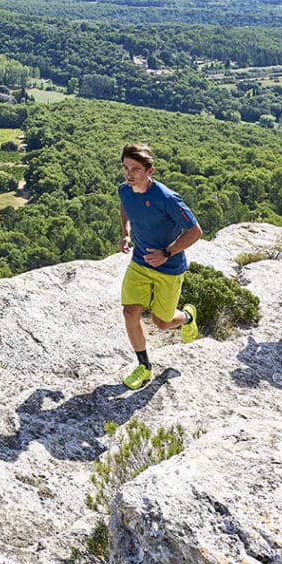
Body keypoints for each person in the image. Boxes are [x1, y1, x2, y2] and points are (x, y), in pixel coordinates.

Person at [117, 143, 200, 388]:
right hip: (140, 263)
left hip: (168, 269)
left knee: (161, 322)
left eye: (135, 169)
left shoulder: (167, 198)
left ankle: (186, 317)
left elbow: (195, 231)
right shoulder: (125, 190)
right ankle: (143, 366)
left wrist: (167, 252)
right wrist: (125, 232)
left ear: (150, 170)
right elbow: (125, 206)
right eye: (125, 168)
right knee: (129, 312)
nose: (129, 174)